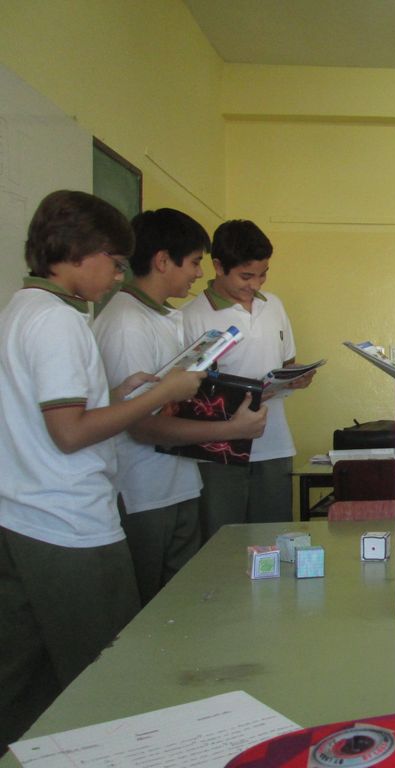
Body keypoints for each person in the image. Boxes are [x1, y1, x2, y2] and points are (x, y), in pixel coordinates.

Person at [0, 191, 203, 750]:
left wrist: (120, 393)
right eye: (113, 263)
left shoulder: (23, 309)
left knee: (26, 675)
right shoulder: (58, 322)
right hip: (68, 522)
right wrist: (161, 393)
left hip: (24, 515)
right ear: (78, 251)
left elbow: (55, 413)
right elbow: (70, 434)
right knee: (105, 674)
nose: (117, 277)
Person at [91, 209, 268, 605]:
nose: (198, 273)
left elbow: (169, 403)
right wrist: (232, 430)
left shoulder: (161, 317)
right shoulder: (127, 324)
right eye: (193, 262)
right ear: (162, 260)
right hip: (143, 491)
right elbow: (141, 425)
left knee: (181, 603)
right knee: (148, 608)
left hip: (176, 482)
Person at [182, 219, 315, 541]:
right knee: (222, 540)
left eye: (263, 274)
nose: (255, 284)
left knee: (275, 538)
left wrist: (296, 377)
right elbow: (186, 390)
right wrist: (246, 392)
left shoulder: (274, 306)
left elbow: (287, 363)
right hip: (218, 449)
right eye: (246, 276)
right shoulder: (191, 315)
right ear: (218, 266)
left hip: (274, 442)